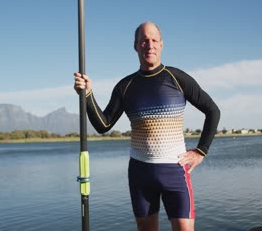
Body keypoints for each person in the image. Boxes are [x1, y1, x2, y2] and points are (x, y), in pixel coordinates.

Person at [74, 21, 220, 231]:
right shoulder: (126, 86)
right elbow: (104, 124)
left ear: (161, 45)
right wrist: (87, 95)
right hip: (140, 173)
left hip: (175, 171)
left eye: (153, 40)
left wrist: (201, 151)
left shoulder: (177, 78)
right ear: (136, 46)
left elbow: (213, 111)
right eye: (144, 41)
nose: (149, 45)